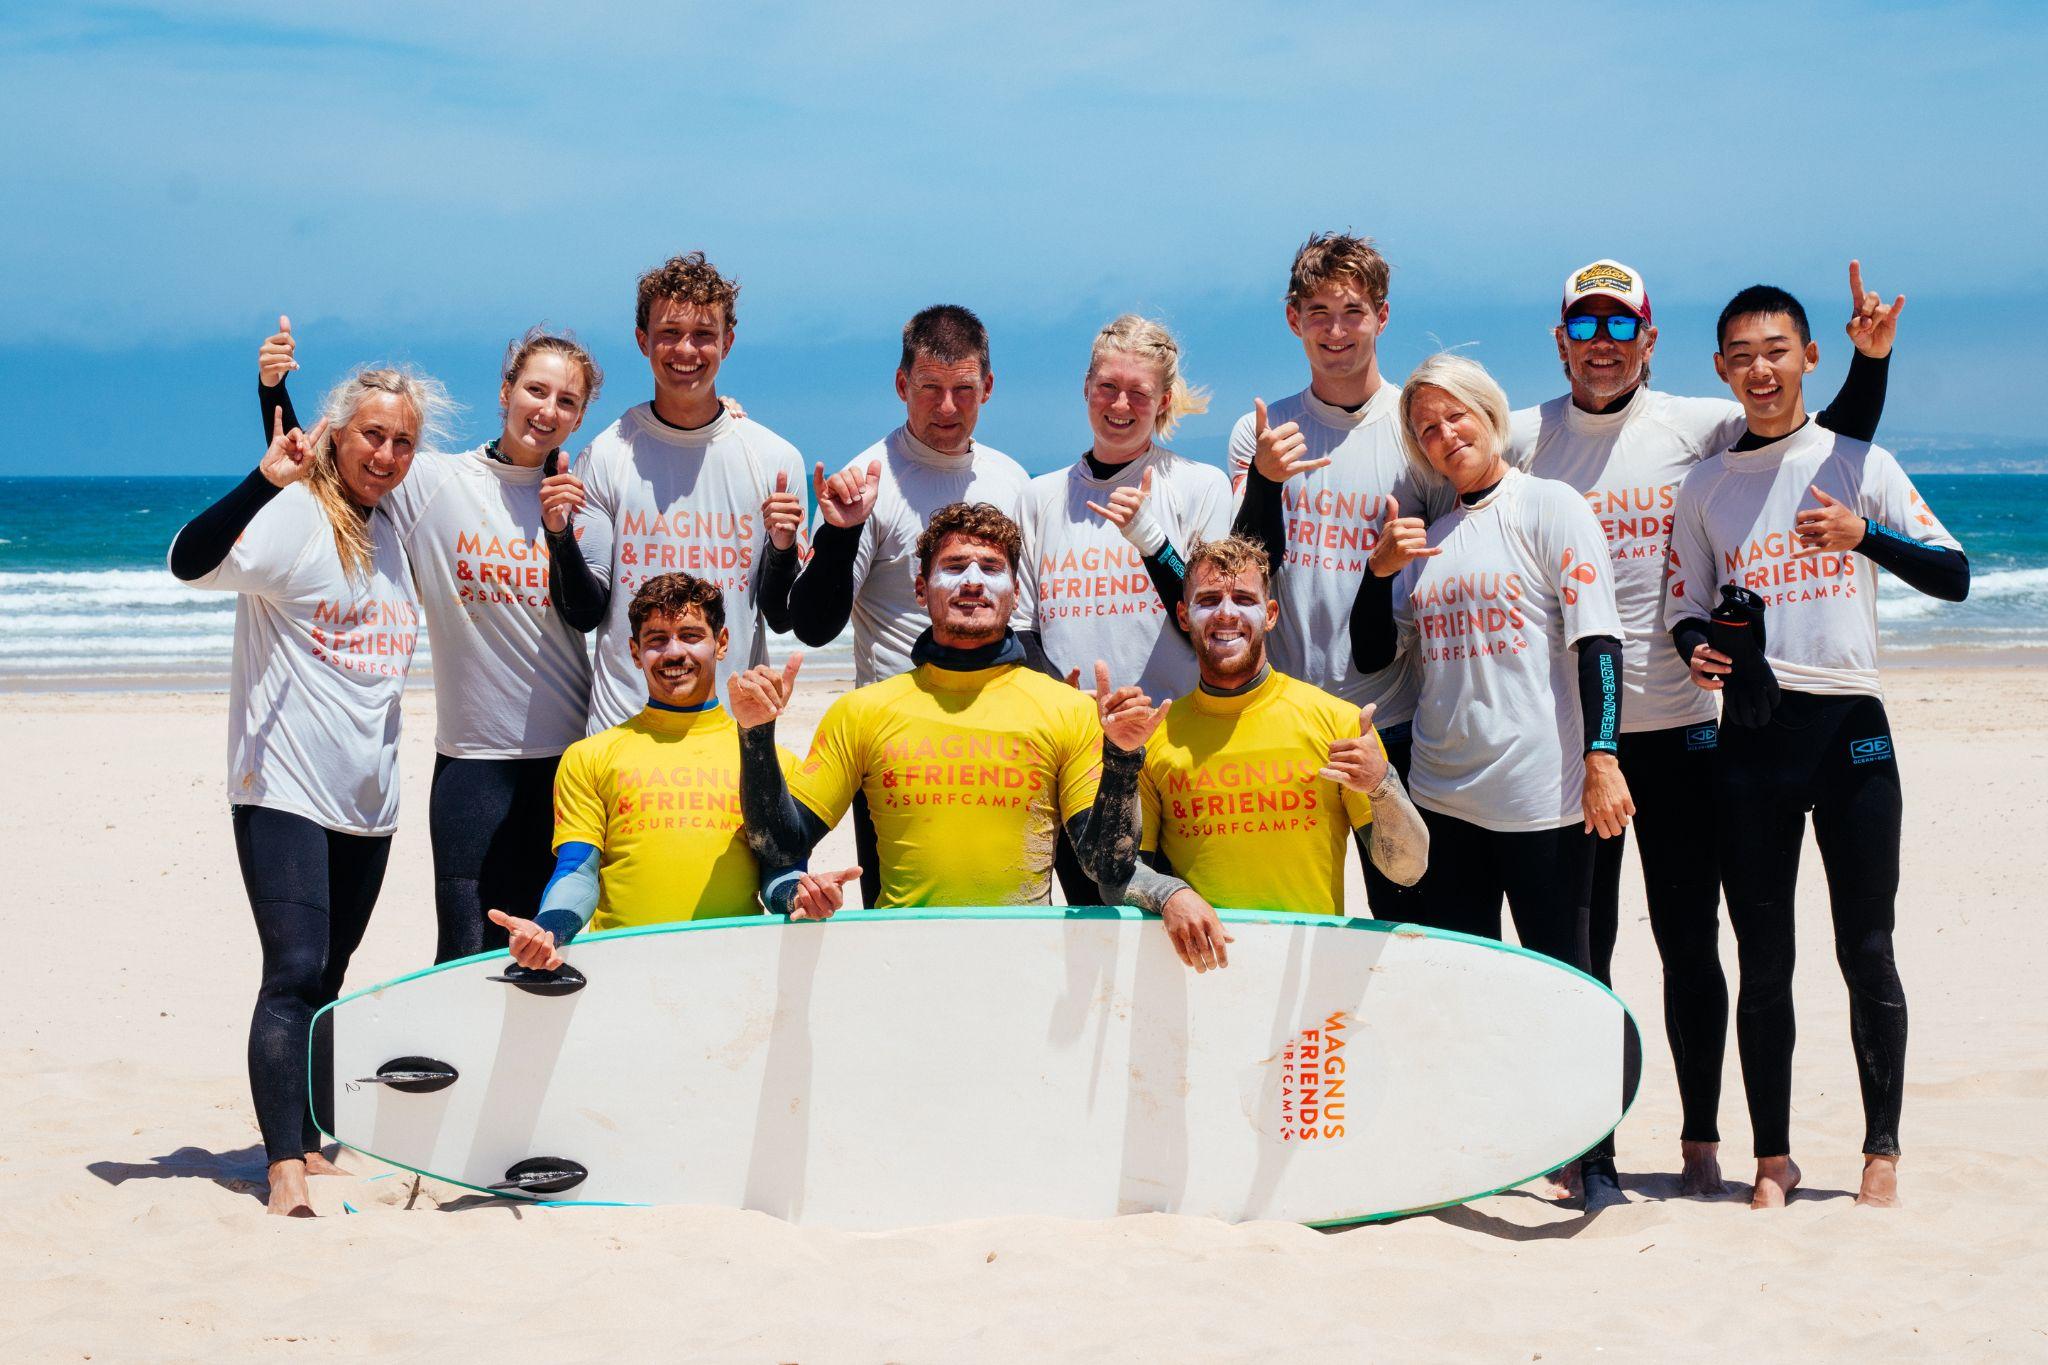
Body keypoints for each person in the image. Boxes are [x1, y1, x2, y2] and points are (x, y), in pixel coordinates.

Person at [1508, 259, 1902, 1195]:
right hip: (1575, 738)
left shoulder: (1700, 423)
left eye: (1621, 328)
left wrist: (1872, 364)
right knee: (1581, 951)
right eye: (1584, 328)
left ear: (1649, 339)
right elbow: (1445, 467)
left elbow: (1817, 441)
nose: (1602, 345)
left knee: (1692, 946)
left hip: (1685, 729)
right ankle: (1585, 1144)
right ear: (1561, 340)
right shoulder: (1523, 435)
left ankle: (1699, 1139)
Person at [1666, 285, 1967, 1212]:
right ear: (1721, 370)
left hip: (1850, 729)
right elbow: (1684, 607)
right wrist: (1698, 649)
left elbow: (1954, 575)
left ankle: (1881, 1149)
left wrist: (1862, 535)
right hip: (1752, 738)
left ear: (1808, 360)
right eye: (1742, 354)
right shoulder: (1707, 486)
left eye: (1777, 350)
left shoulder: (1857, 461)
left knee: (1865, 946)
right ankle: (1774, 1158)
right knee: (1764, 953)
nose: (1761, 368)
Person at [169, 366, 452, 1216]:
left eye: (403, 440)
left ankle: (311, 1140)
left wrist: (276, 392)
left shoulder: (394, 523)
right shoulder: (291, 520)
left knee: (329, 974)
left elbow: (335, 446)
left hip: (368, 798)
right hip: (282, 784)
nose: (389, 453)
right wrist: (265, 473)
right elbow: (191, 561)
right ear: (338, 435)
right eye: (373, 434)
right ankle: (283, 1163)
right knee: (292, 969)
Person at [1352, 353, 1629, 1210]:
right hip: (1444, 799)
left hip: (1542, 799)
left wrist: (1604, 755)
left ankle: (1597, 1164)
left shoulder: (1551, 505)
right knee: (1463, 990)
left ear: (1488, 411)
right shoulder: (1428, 539)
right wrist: (1378, 570)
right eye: (1426, 427)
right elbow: (1370, 652)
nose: (1445, 435)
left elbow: (1598, 640)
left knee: (1567, 982)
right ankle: (1481, 1153)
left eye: (1455, 417)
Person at [257, 318, 606, 963]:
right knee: (465, 955)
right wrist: (271, 390)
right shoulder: (431, 482)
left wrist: (558, 531)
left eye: (567, 401)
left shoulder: (583, 500)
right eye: (535, 390)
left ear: (581, 416)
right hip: (470, 765)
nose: (547, 410)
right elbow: (325, 469)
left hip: (568, 764)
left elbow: (588, 613)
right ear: (505, 393)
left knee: (557, 953)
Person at [731, 502, 1155, 908]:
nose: (973, 581)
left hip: (1027, 957)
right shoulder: (862, 712)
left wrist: (1122, 756)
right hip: (902, 957)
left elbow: (1106, 867)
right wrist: (755, 733)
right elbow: (782, 846)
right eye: (953, 567)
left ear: (1016, 592)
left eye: (991, 569)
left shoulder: (1069, 710)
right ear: (920, 588)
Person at [1226, 233, 1453, 914]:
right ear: (1293, 318)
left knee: (1408, 917)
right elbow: (1247, 570)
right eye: (1318, 311)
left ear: (1382, 316)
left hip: (1393, 719)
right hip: (1287, 718)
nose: (1336, 329)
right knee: (1289, 921)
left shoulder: (1418, 429)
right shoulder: (1261, 431)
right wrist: (1264, 479)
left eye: (1352, 310)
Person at [485, 573, 860, 971]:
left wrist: (802, 896)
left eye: (691, 635)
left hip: (737, 966)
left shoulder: (770, 760)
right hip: (625, 968)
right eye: (657, 640)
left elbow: (779, 874)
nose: (674, 652)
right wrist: (548, 930)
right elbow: (577, 872)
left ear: (721, 642)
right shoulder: (590, 756)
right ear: (635, 651)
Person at [783, 306, 1032, 903]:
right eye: (930, 389)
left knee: (1008, 898)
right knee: (901, 910)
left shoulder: (1012, 479)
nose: (947, 408)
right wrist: (840, 532)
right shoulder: (868, 481)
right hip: (897, 743)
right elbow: (815, 627)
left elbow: (1023, 619)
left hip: (1004, 737)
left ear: (988, 388)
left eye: (963, 390)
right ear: (902, 386)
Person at [1106, 535, 1427, 972]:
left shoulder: (1336, 721)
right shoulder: (1157, 737)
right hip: (1200, 969)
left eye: (1243, 598)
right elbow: (1117, 872)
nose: (1226, 612)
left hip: (1310, 971)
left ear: (1270, 614)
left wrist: (1382, 784)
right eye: (1208, 599)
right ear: (1183, 615)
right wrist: (1169, 896)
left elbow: (1407, 869)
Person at [1015, 315, 1230, 903]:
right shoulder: (1039, 497)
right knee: (1094, 924)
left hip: (1178, 749)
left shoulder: (1199, 485)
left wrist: (1155, 544)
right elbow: (1023, 630)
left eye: (1139, 393)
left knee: (1180, 922)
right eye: (1108, 386)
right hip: (1078, 751)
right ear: (1086, 388)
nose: (1120, 404)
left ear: (1162, 404)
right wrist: (1064, 700)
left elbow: (1213, 620)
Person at [546, 252, 807, 732]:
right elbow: (585, 610)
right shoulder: (606, 455)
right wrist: (558, 537)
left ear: (727, 342)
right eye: (669, 333)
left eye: (703, 335)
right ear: (643, 340)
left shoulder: (775, 460)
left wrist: (784, 547)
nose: (686, 350)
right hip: (622, 726)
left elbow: (781, 613)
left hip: (732, 727)